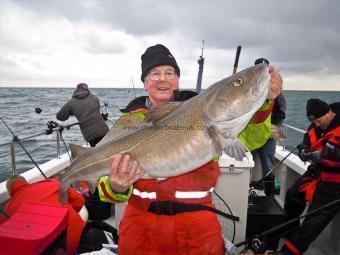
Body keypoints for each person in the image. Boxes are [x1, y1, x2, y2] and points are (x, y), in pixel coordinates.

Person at [96, 44, 283, 255]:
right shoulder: (129, 123)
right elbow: (105, 188)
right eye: (154, 74)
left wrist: (266, 102)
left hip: (197, 228)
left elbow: (253, 139)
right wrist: (116, 186)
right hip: (141, 228)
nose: (162, 79)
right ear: (145, 83)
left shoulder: (206, 111)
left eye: (169, 73)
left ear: (177, 80)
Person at [278, 98, 340, 255]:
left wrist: (325, 155)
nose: (316, 125)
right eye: (314, 122)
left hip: (335, 182)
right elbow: (307, 141)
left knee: (313, 218)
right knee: (292, 195)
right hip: (316, 173)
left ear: (329, 114)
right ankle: (289, 232)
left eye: (318, 121)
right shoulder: (315, 126)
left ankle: (288, 251)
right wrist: (304, 152)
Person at [0, 175, 86, 254]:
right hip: (77, 232)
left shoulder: (8, 209)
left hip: (48, 248)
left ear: (10, 193)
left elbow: (6, 234)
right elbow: (79, 200)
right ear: (27, 182)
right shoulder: (52, 183)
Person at [251, 58, 286, 196]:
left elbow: (281, 113)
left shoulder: (277, 93)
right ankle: (242, 194)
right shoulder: (250, 90)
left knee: (268, 166)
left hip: (268, 136)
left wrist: (275, 128)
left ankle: (270, 196)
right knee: (247, 164)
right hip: (251, 136)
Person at [56, 83, 109, 147]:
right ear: (87, 89)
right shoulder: (94, 98)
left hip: (90, 135)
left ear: (77, 90)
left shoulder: (71, 103)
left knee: (97, 153)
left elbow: (60, 117)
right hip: (104, 130)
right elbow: (94, 111)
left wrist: (73, 111)